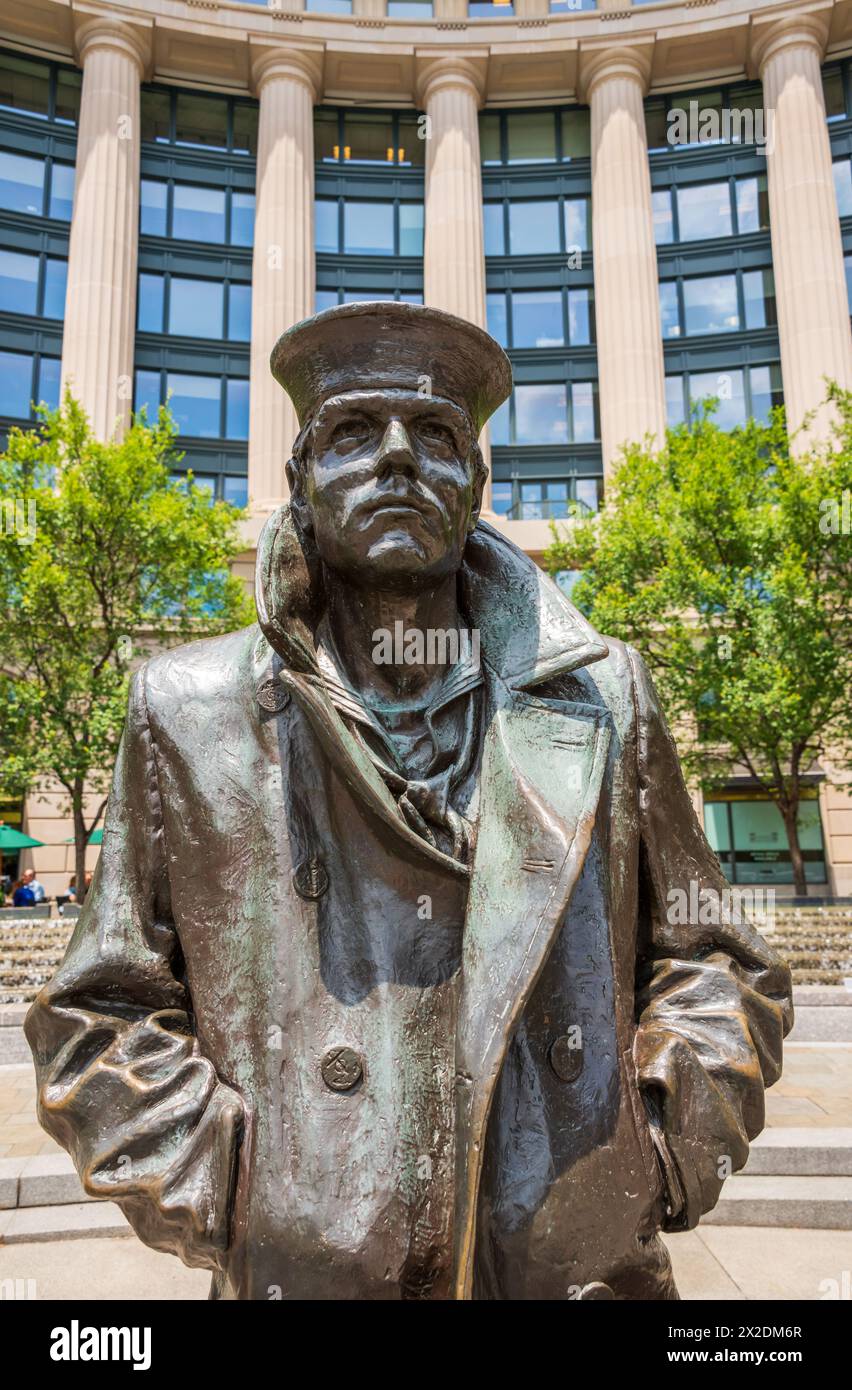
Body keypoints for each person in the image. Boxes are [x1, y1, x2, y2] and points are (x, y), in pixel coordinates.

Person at [25, 302, 793, 1301]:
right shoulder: (188, 711)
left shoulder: (607, 697)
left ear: (477, 485)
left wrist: (656, 1153)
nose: (398, 459)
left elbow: (719, 965)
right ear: (298, 481)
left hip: (567, 1263)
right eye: (353, 433)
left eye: (436, 436)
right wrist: (244, 1192)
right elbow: (99, 1012)